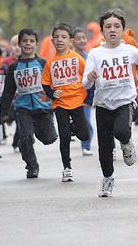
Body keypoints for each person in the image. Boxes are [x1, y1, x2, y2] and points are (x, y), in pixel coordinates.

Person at [83, 9, 138, 197]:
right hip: (103, 105)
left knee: (121, 131)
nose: (112, 30)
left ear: (123, 30)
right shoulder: (95, 54)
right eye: (108, 26)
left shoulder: (130, 50)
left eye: (117, 26)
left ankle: (126, 142)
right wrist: (90, 78)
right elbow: (85, 83)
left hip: (124, 101)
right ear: (102, 31)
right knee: (104, 147)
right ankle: (108, 179)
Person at [0, 29, 57, 178]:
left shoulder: (42, 63)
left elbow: (52, 85)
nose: (27, 44)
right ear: (19, 44)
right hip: (23, 108)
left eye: (31, 41)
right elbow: (8, 91)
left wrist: (57, 102)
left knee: (49, 138)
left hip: (43, 107)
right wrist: (3, 112)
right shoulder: (13, 67)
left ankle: (34, 132)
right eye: (24, 41)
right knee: (25, 138)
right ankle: (32, 166)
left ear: (36, 44)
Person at [41, 23, 90, 183]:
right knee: (64, 136)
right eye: (56, 37)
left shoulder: (77, 59)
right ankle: (67, 167)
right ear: (52, 41)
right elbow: (46, 83)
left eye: (63, 37)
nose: (59, 40)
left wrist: (89, 97)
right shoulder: (50, 62)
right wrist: (52, 94)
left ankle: (73, 128)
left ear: (71, 41)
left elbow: (88, 76)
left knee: (84, 135)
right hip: (60, 104)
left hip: (76, 101)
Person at [74, 27, 95, 156]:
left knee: (86, 122)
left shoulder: (90, 58)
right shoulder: (70, 58)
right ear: (72, 41)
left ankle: (86, 145)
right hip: (71, 96)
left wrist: (90, 98)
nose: (81, 41)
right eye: (78, 38)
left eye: (83, 38)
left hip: (85, 97)